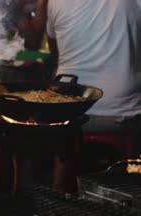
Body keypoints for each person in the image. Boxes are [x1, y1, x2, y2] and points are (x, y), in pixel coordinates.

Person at [43, 0, 141, 158]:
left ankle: (60, 180)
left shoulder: (56, 1)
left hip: (68, 108)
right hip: (120, 109)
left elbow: (54, 50)